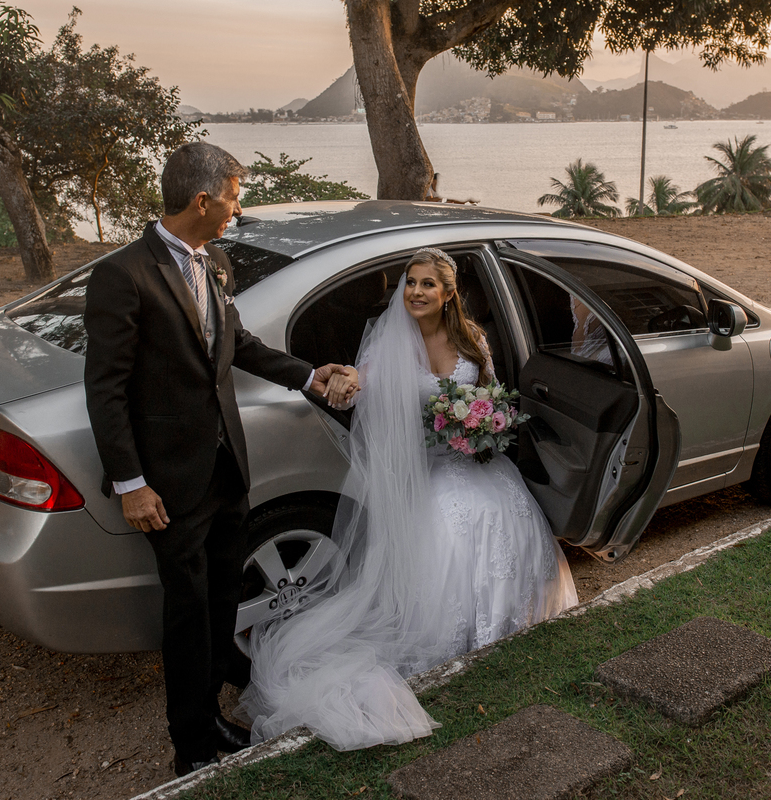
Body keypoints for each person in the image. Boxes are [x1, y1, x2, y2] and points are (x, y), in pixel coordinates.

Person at [240, 248, 577, 751]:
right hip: (432, 473)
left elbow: (489, 392)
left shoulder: (473, 339)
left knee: (501, 519)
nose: (416, 292)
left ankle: (508, 627)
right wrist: (345, 380)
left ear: (448, 294)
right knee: (447, 531)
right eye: (410, 282)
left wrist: (485, 422)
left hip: (482, 466)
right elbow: (361, 379)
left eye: (427, 285)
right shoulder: (389, 347)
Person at [83, 142, 349, 777]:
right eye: (233, 195)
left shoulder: (218, 261)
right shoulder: (122, 275)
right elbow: (106, 388)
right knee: (189, 610)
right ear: (202, 200)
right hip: (168, 483)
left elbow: (238, 343)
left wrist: (309, 375)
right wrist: (131, 483)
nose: (238, 206)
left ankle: (213, 714)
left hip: (228, 467)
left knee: (223, 598)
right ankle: (191, 743)